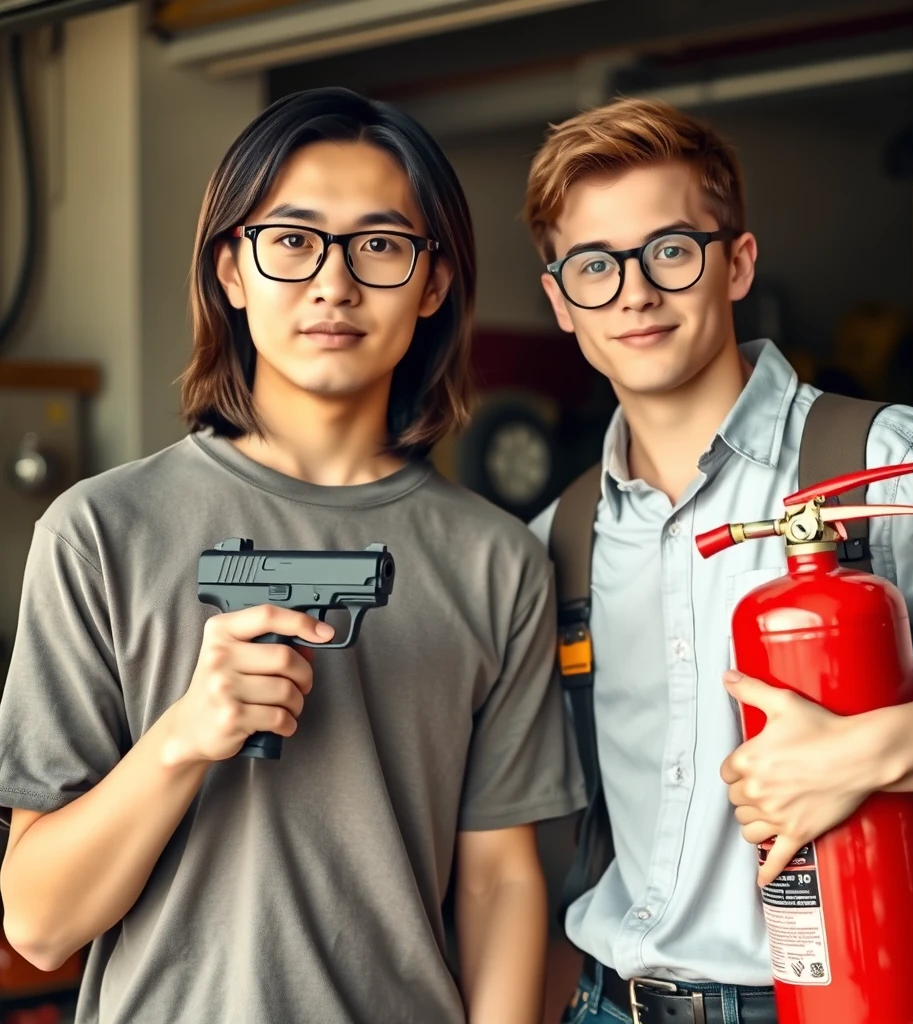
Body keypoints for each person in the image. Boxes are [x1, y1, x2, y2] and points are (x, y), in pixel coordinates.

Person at [0, 87, 585, 1024]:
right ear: (231, 267)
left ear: (434, 284)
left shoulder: (497, 562)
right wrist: (185, 737)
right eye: (293, 240)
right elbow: (37, 923)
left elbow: (498, 886)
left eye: (382, 245)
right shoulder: (98, 533)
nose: (335, 284)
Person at [521, 96, 913, 1023]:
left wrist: (862, 755)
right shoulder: (556, 540)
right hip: (606, 1004)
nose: (634, 292)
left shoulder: (879, 465)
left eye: (671, 250)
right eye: (594, 266)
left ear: (737, 263)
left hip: (852, 1003)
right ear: (560, 301)